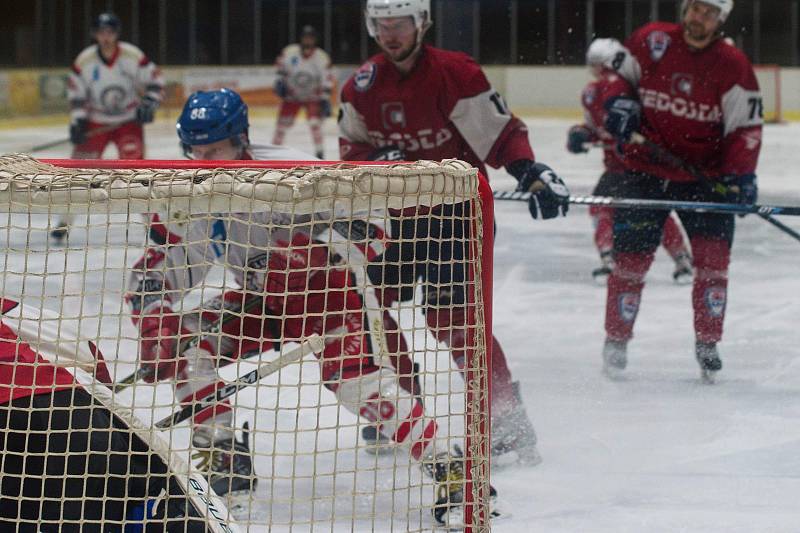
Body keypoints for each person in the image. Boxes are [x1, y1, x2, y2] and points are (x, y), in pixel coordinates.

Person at [128, 88, 473, 523]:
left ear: (241, 140)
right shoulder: (190, 193)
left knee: (358, 387)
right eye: (195, 152)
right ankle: (225, 461)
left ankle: (451, 467)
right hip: (261, 300)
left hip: (329, 297)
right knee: (187, 346)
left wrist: (315, 253)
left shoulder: (294, 171)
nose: (205, 162)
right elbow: (159, 273)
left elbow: (375, 224)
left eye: (215, 150)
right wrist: (155, 320)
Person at [339, 0, 570, 467]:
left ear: (421, 23)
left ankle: (505, 420)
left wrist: (530, 170)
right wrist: (373, 161)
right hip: (394, 219)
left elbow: (498, 134)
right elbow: (352, 152)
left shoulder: (455, 73)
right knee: (367, 309)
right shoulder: (361, 85)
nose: (391, 34)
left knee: (454, 322)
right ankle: (402, 409)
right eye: (382, 25)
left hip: (456, 215)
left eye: (400, 24)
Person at [597, 0, 762, 381]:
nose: (699, 17)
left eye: (709, 12)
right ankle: (616, 339)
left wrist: (740, 175)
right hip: (642, 171)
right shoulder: (651, 40)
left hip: (705, 178)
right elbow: (618, 78)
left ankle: (708, 343)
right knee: (630, 263)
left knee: (713, 262)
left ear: (720, 19)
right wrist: (619, 102)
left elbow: (745, 128)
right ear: (686, 8)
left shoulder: (733, 65)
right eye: (695, 8)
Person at [0, 298, 204, 532]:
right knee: (132, 498)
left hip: (34, 435)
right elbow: (86, 351)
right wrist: (105, 400)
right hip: (76, 416)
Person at [567, 38, 693, 284]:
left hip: (638, 167)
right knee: (651, 211)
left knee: (612, 208)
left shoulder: (618, 90)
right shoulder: (605, 91)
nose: (600, 74)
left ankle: (610, 258)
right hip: (625, 167)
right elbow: (596, 128)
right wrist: (581, 134)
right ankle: (681, 259)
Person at [53, 12, 164, 241]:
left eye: (110, 32)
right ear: (95, 34)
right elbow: (76, 94)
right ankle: (65, 221)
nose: (106, 37)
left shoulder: (132, 56)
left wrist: (149, 104)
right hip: (96, 122)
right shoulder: (85, 60)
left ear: (116, 34)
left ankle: (153, 224)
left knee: (138, 175)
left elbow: (155, 81)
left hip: (128, 122)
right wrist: (78, 121)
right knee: (77, 173)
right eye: (101, 32)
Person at [272, 25, 334, 159]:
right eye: (305, 37)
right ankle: (273, 151)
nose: (307, 41)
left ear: (315, 40)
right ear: (301, 38)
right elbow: (280, 69)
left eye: (310, 38)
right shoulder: (289, 52)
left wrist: (325, 98)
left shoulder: (321, 57)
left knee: (315, 124)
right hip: (292, 96)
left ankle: (319, 152)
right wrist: (279, 82)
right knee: (282, 125)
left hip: (312, 96)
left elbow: (327, 78)